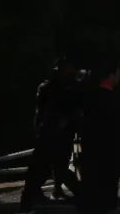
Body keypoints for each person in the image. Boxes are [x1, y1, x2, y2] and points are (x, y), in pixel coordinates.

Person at [20, 58, 82, 212]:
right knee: (47, 168)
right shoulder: (52, 88)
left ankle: (33, 198)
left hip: (57, 133)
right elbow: (43, 111)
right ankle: (81, 195)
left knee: (53, 168)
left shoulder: (65, 88)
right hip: (51, 133)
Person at [77, 62, 120, 214]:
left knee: (92, 182)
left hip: (92, 147)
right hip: (109, 148)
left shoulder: (91, 96)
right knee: (107, 183)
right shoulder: (113, 98)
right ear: (111, 76)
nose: (119, 78)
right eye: (117, 74)